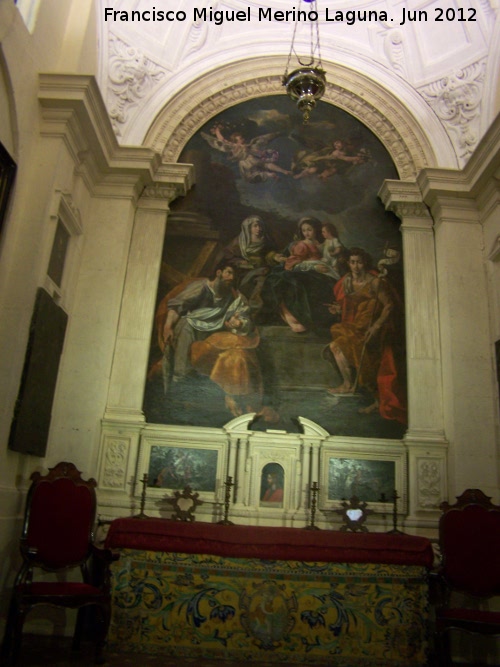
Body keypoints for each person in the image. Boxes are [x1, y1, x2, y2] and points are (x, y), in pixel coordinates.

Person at [159, 264, 263, 416]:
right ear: (219, 272)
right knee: (186, 326)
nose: (231, 278)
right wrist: (168, 327)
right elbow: (176, 307)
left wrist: (237, 323)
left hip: (215, 331)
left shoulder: (234, 295)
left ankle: (233, 391)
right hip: (193, 326)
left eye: (234, 275)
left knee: (237, 347)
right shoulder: (201, 287)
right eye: (228, 273)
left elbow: (240, 314)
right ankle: (180, 379)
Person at [325, 247, 406, 423]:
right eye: (352, 262)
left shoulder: (375, 282)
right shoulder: (347, 281)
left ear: (365, 263)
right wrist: (338, 309)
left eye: (359, 262)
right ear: (348, 263)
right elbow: (350, 306)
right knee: (335, 346)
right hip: (355, 326)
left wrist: (376, 326)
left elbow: (389, 306)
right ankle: (348, 384)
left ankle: (377, 400)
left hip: (373, 329)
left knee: (369, 361)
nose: (356, 266)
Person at [259, 217, 337, 332]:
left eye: (309, 229)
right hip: (305, 272)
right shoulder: (301, 245)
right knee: (300, 286)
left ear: (316, 230)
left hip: (321, 271)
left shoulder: (321, 243)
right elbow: (292, 264)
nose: (306, 233)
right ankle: (298, 320)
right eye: (304, 230)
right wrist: (314, 266)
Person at [222, 215, 285, 315]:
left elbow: (268, 254)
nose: (258, 229)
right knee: (259, 281)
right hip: (243, 272)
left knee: (267, 280)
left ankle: (257, 310)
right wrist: (239, 262)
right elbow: (228, 256)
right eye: (255, 226)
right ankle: (252, 309)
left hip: (262, 269)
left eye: (260, 226)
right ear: (248, 228)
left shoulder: (265, 240)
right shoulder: (240, 241)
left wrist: (274, 256)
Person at [202, 123, 291, 182]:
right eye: (240, 139)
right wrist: (217, 131)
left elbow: (222, 141)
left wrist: (217, 131)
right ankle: (281, 172)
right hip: (251, 160)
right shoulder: (236, 146)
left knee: (255, 172)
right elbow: (222, 141)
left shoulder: (244, 146)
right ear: (236, 141)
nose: (243, 139)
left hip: (246, 163)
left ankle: (273, 174)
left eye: (242, 138)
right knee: (265, 164)